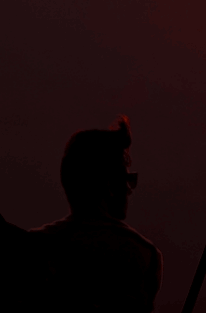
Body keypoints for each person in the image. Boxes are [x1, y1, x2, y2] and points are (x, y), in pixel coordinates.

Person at [29, 115, 163, 312]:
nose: (128, 189)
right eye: (127, 178)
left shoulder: (34, 245)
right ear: (109, 184)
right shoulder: (143, 254)